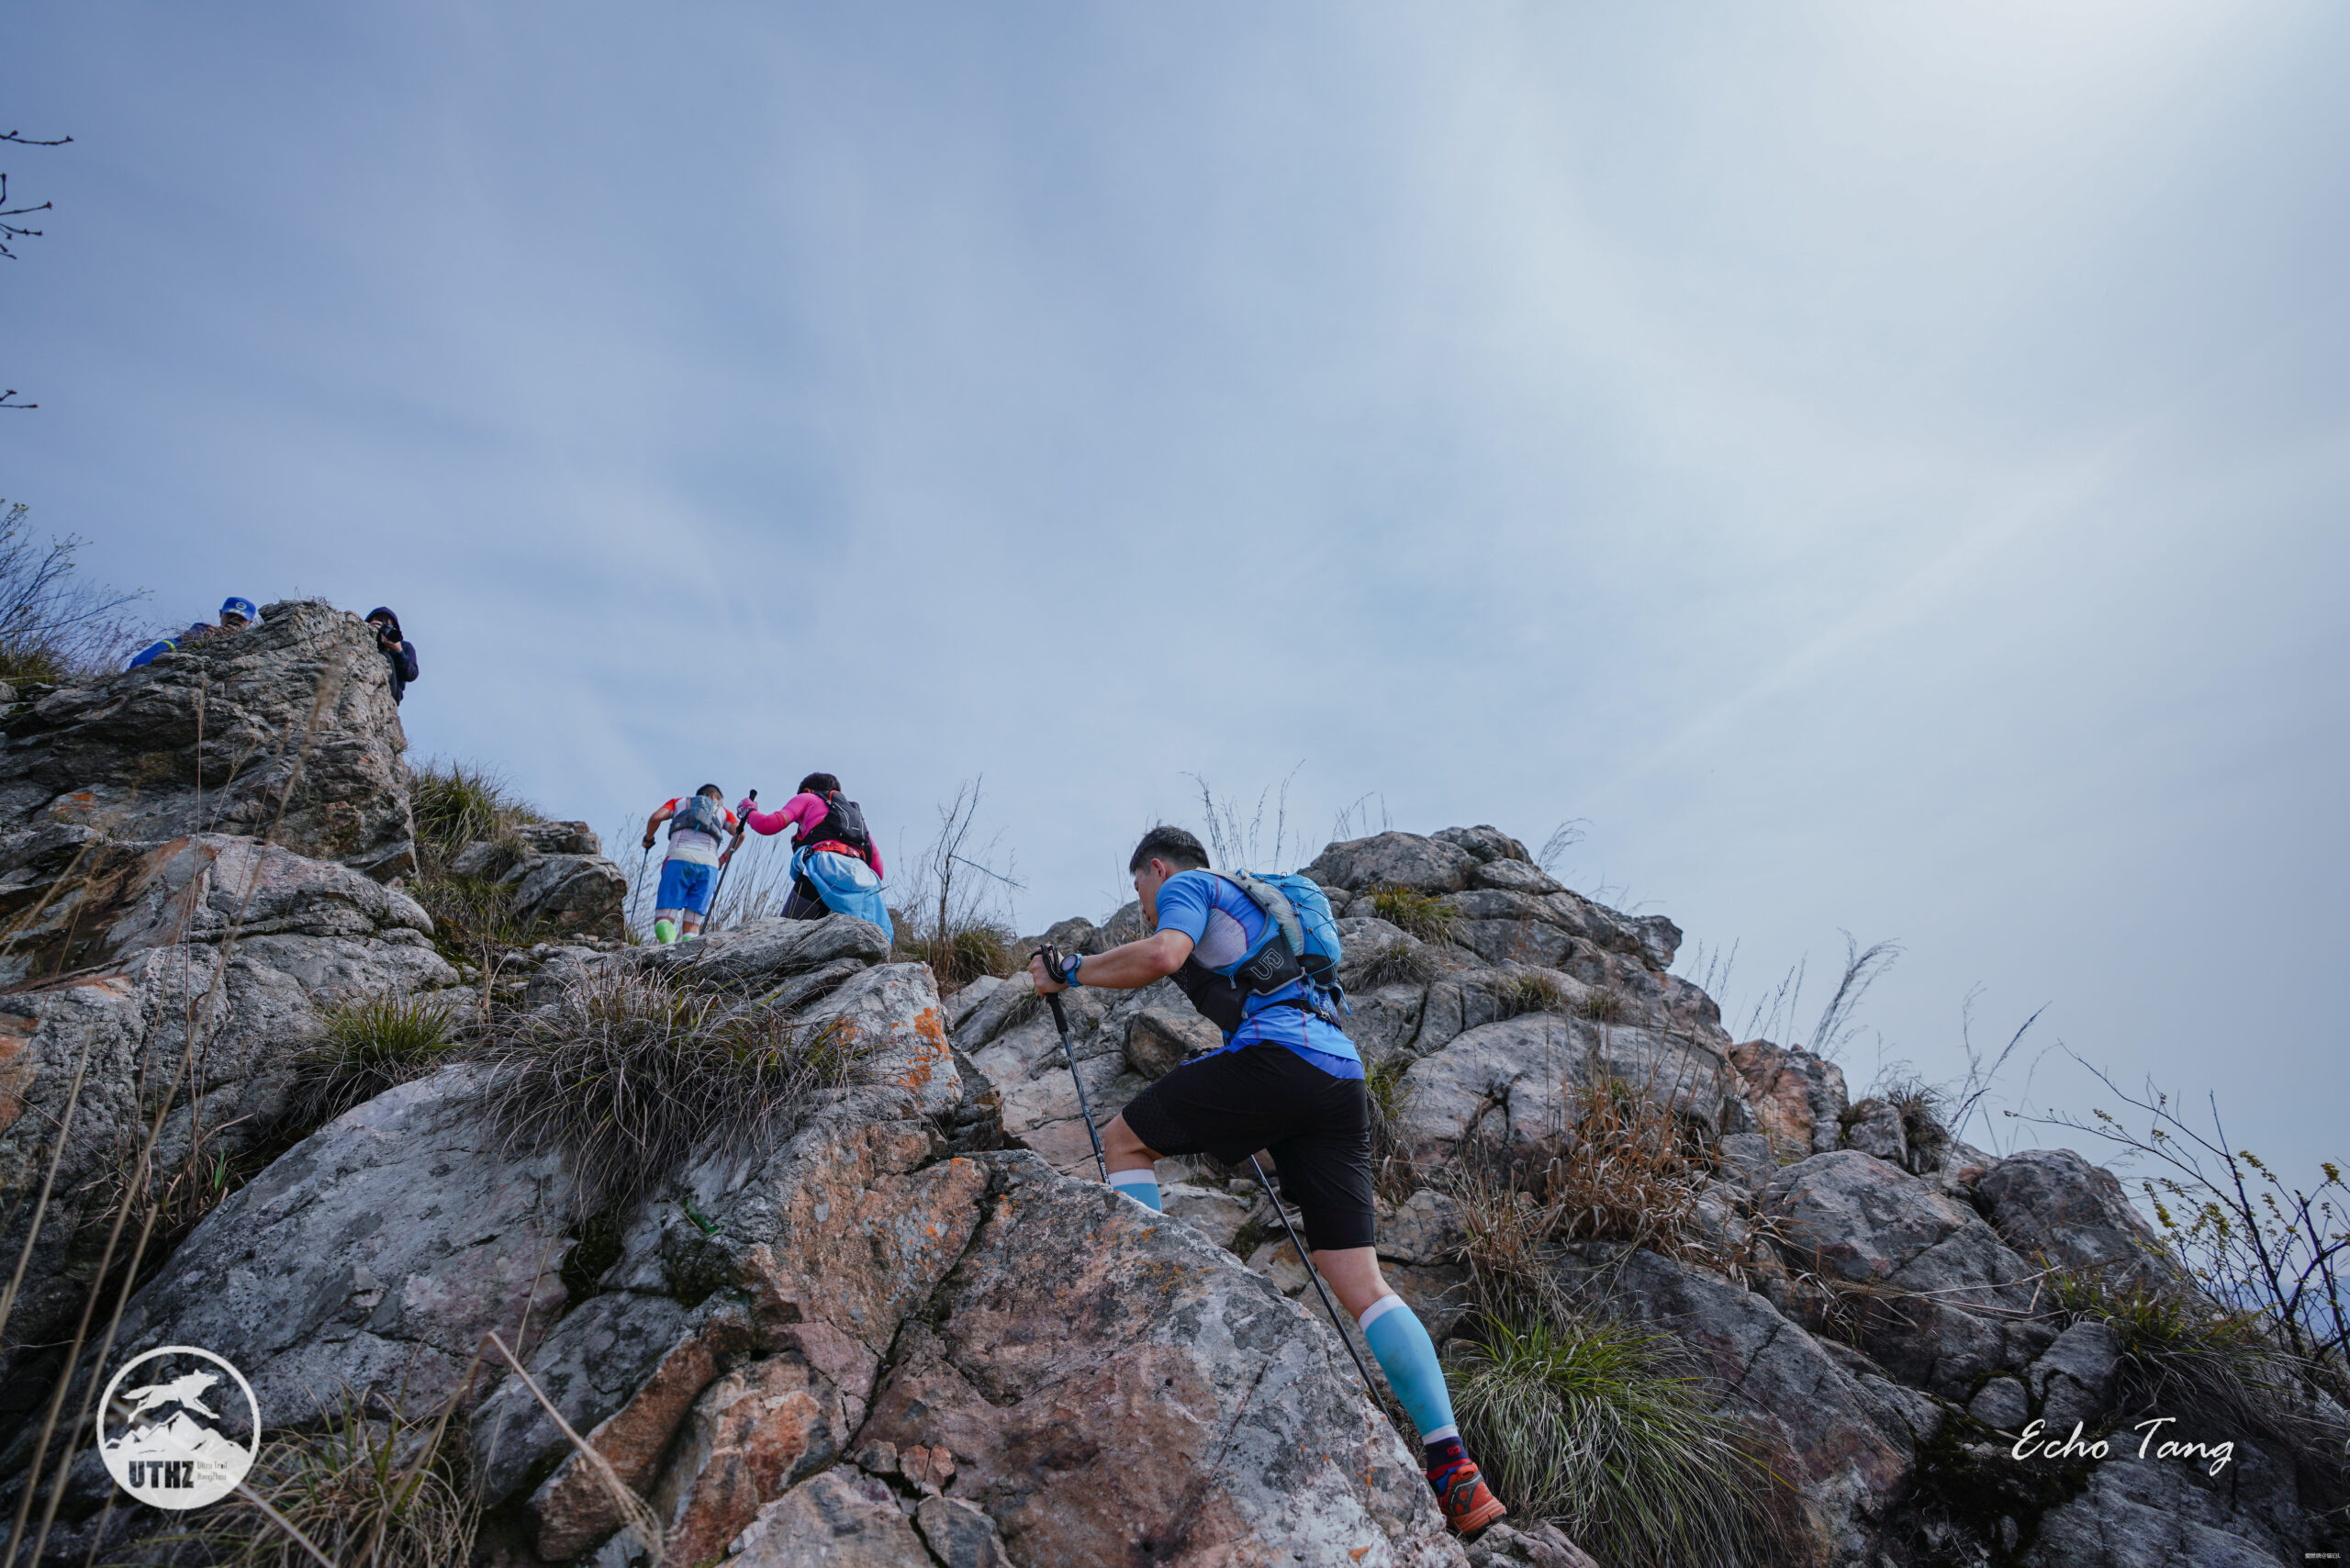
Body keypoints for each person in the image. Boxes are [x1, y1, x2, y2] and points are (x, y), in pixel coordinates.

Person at [1027, 825, 1508, 1536]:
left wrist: (1069, 969)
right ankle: (1456, 1474)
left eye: (1140, 889)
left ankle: (1141, 1296)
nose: (1145, 905)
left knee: (1126, 1141)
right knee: (1360, 1282)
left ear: (1157, 869)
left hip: (1281, 1058)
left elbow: (1163, 956)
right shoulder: (1264, 913)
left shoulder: (1190, 886)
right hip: (1338, 1075)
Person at [734, 773, 892, 938]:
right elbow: (877, 868)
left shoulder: (808, 798)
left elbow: (768, 825)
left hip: (821, 871)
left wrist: (749, 811)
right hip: (863, 882)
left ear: (807, 790)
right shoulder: (855, 816)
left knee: (784, 937)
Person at [641, 785, 739, 944]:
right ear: (714, 797)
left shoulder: (679, 802)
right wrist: (723, 858)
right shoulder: (724, 812)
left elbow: (656, 818)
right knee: (693, 925)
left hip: (678, 858)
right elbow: (739, 834)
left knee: (665, 917)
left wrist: (648, 839)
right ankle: (684, 962)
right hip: (709, 864)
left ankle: (668, 951)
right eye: (721, 801)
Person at [126, 597, 257, 669]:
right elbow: (140, 663)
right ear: (221, 614)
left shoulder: (255, 645)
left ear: (250, 623)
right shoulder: (195, 635)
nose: (234, 622)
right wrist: (196, 641)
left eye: (241, 619)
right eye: (230, 616)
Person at [364, 608, 419, 703]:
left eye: (387, 626)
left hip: (391, 694)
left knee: (385, 657)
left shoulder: (404, 646)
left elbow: (411, 675)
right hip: (363, 683)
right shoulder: (364, 639)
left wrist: (398, 651)